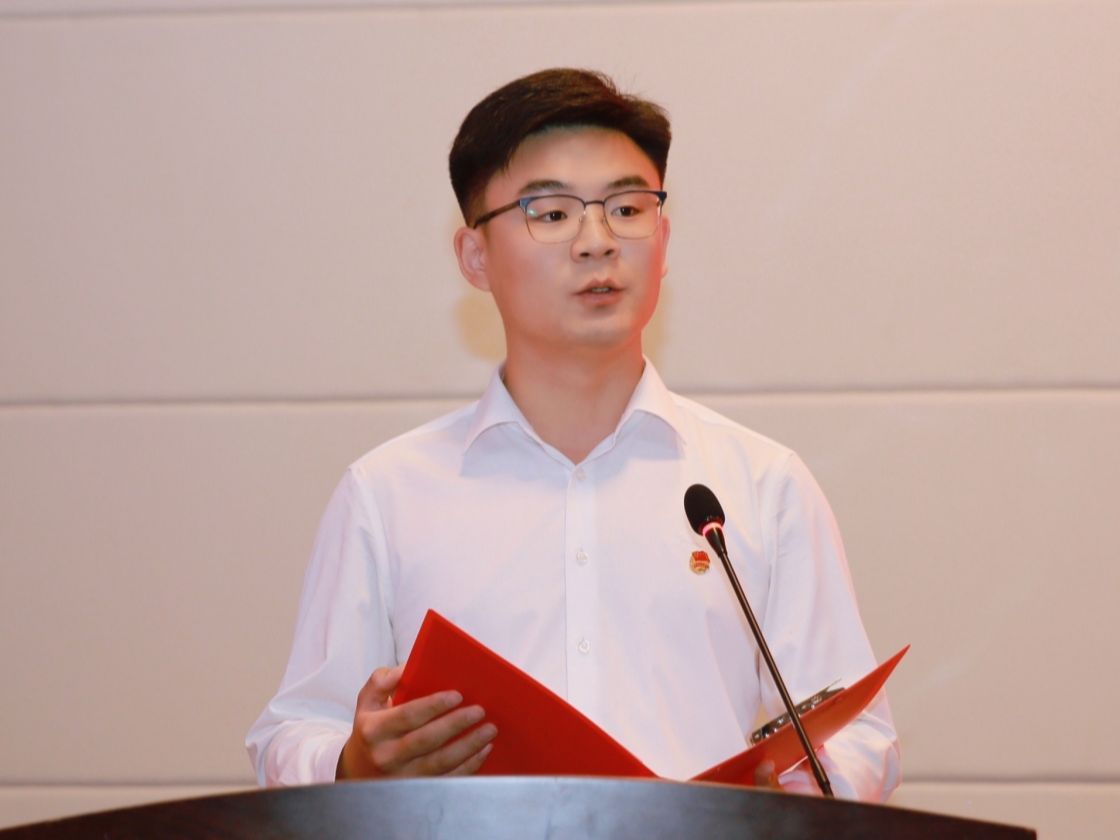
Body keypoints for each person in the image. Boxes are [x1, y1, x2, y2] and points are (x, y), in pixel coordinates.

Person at [246, 68, 900, 801]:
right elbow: (293, 733)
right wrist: (353, 765)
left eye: (628, 208)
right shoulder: (389, 493)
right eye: (552, 213)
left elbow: (857, 737)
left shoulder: (760, 485)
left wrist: (792, 808)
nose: (597, 241)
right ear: (475, 257)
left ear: (663, 238)